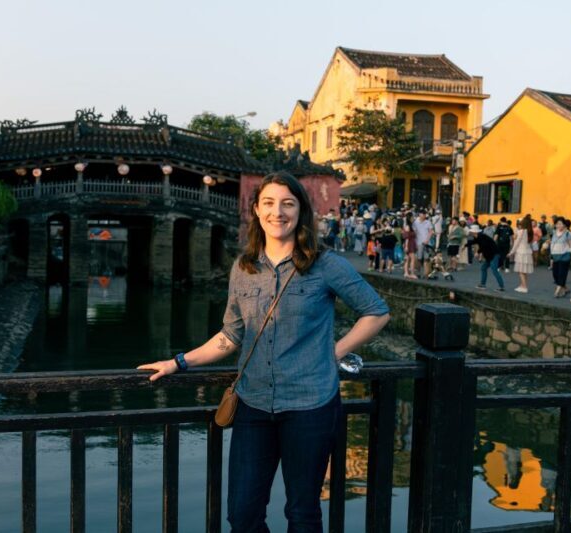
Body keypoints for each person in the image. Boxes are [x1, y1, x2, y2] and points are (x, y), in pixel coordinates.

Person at [137, 171, 390, 532]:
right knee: (242, 514)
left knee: (302, 513)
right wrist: (179, 362)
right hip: (253, 405)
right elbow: (231, 335)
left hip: (310, 406)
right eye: (269, 203)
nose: (278, 212)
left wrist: (333, 352)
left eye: (288, 203)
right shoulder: (244, 268)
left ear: (301, 211)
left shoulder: (325, 264)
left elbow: (376, 311)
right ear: (256, 210)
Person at [470, 224, 505, 291]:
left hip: (494, 254)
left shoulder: (481, 237)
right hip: (490, 255)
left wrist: (478, 252)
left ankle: (501, 287)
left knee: (494, 270)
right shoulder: (477, 237)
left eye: (471, 231)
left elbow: (484, 246)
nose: (470, 232)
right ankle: (483, 284)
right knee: (483, 268)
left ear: (475, 232)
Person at [508, 215, 534, 293]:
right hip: (528, 252)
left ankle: (524, 287)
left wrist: (511, 252)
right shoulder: (530, 232)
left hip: (521, 252)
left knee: (521, 271)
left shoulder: (521, 231)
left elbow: (516, 243)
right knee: (524, 271)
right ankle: (522, 285)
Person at [550, 218, 571, 298]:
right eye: (557, 224)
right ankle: (565, 289)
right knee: (555, 274)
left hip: (565, 256)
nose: (559, 225)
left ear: (564, 225)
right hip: (555, 256)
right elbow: (552, 244)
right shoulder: (554, 233)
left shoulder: (568, 234)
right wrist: (551, 257)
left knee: (561, 274)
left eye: (560, 224)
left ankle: (557, 291)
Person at [413, 210, 433, 278]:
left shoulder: (428, 222)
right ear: (419, 214)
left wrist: (427, 240)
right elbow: (414, 232)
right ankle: (418, 273)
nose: (424, 216)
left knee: (426, 259)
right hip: (418, 242)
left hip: (426, 243)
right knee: (418, 258)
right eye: (422, 214)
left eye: (425, 214)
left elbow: (430, 232)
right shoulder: (415, 222)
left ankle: (426, 274)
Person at [402, 212, 418, 279]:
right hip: (409, 243)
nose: (413, 218)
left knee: (408, 259)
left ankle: (406, 273)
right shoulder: (408, 226)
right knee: (412, 259)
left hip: (411, 242)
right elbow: (407, 237)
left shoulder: (410, 226)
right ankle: (411, 273)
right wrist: (406, 246)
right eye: (412, 217)